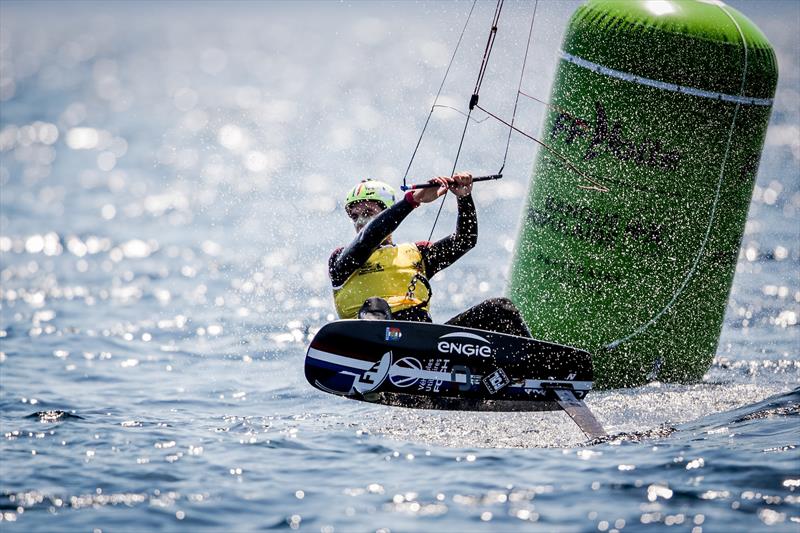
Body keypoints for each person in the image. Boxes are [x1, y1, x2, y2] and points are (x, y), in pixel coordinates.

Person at [328, 173, 531, 337]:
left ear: (388, 212)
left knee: (499, 309)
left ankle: (545, 373)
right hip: (372, 344)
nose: (359, 222)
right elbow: (368, 238)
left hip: (422, 342)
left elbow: (465, 240)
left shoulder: (418, 253)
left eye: (367, 213)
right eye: (354, 216)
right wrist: (412, 200)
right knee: (375, 305)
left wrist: (464, 198)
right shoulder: (340, 260)